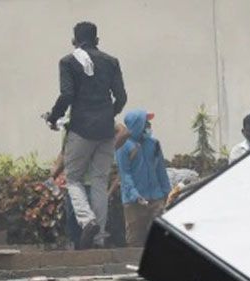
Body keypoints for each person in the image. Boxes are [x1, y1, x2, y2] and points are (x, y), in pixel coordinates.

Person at [45, 21, 127, 250]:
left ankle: (87, 221)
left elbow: (67, 95)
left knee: (74, 179)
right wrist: (108, 114)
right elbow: (121, 97)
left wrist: (53, 117)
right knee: (100, 181)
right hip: (105, 130)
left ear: (74, 41)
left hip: (81, 129)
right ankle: (99, 236)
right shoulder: (111, 62)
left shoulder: (68, 62)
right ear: (97, 40)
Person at [115, 109, 170, 247]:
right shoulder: (123, 146)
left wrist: (167, 192)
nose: (148, 126)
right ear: (136, 125)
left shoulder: (154, 144)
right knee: (135, 239)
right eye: (145, 123)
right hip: (134, 202)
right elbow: (124, 174)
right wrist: (135, 195)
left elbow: (160, 170)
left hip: (156, 198)